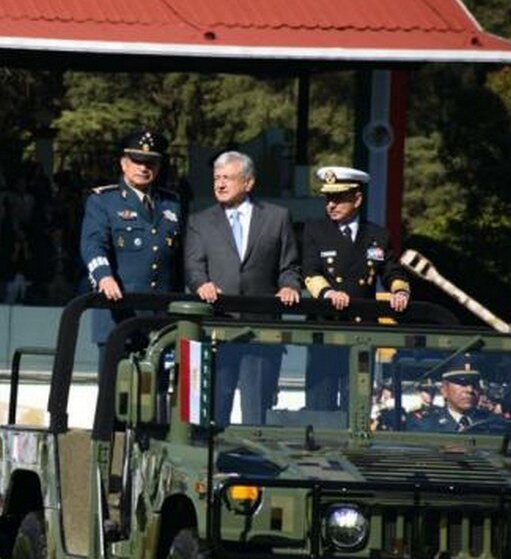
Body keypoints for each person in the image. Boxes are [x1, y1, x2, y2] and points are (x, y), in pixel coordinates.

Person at [183, 151, 301, 425]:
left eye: (227, 178)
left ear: (248, 182)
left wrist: (289, 286)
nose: (220, 184)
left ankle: (256, 453)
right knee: (215, 406)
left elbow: (289, 266)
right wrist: (202, 284)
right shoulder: (200, 221)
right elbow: (193, 266)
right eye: (217, 178)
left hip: (261, 329)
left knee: (257, 408)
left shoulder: (277, 217)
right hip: (218, 327)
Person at [301, 166, 411, 409]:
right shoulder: (316, 231)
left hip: (362, 331)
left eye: (338, 198)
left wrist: (400, 291)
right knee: (320, 406)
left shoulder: (377, 235)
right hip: (327, 328)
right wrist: (329, 293)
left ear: (357, 199)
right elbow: (310, 271)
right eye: (328, 199)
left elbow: (391, 270)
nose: (331, 205)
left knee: (357, 404)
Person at [80, 129, 181, 363]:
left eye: (151, 163)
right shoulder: (104, 200)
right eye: (137, 161)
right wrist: (104, 277)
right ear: (124, 163)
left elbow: (179, 257)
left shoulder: (171, 203)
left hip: (160, 316)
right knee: (116, 383)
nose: (144, 168)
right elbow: (93, 244)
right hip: (119, 312)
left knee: (159, 384)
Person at [410, 358, 511, 434]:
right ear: (444, 390)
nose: (469, 390)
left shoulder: (496, 423)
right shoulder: (425, 425)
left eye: (474, 384)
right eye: (462, 383)